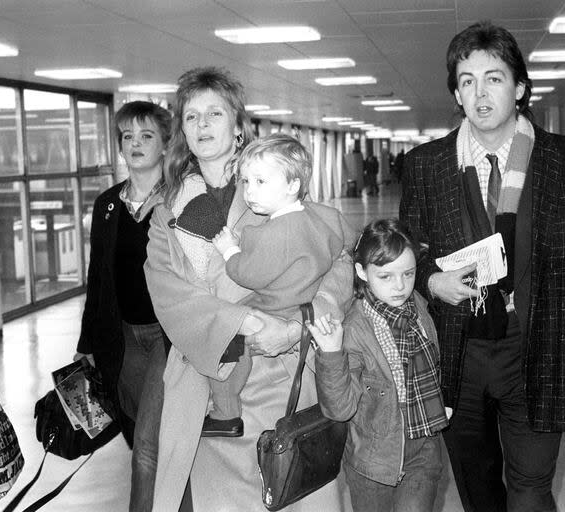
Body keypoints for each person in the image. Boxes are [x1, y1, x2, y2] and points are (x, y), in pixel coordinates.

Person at [399, 21, 565, 511]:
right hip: (458, 353)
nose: (480, 92)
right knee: (478, 492)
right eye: (467, 80)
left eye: (493, 78)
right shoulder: (426, 164)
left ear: (520, 89)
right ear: (456, 93)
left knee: (531, 493)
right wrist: (430, 278)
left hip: (537, 346)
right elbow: (408, 246)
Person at [144, 67, 354, 512]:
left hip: (286, 379)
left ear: (238, 125)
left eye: (214, 113)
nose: (202, 125)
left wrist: (300, 325)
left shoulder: (269, 186)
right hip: (214, 384)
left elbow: (336, 261)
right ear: (181, 130)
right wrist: (245, 323)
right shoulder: (167, 211)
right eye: (191, 116)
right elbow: (168, 295)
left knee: (301, 493)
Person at [208, 133, 347, 430]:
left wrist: (228, 249)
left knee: (227, 341)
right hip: (300, 301)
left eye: (260, 181)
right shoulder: (318, 219)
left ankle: (225, 409)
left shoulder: (277, 232)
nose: (249, 192)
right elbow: (337, 251)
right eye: (245, 181)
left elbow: (247, 274)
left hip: (275, 307)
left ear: (293, 185)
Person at [309, 219, 448, 512]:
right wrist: (332, 353)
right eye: (385, 276)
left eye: (408, 274)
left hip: (423, 449)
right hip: (373, 464)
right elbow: (341, 409)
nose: (400, 286)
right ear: (361, 272)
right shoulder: (355, 330)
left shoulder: (419, 308)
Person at [75, 100, 171, 512]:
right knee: (141, 439)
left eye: (146, 135)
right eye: (128, 136)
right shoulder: (107, 205)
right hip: (123, 340)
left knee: (148, 449)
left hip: (168, 341)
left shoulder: (179, 200)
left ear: (166, 145)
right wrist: (87, 345)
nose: (135, 143)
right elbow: (98, 280)